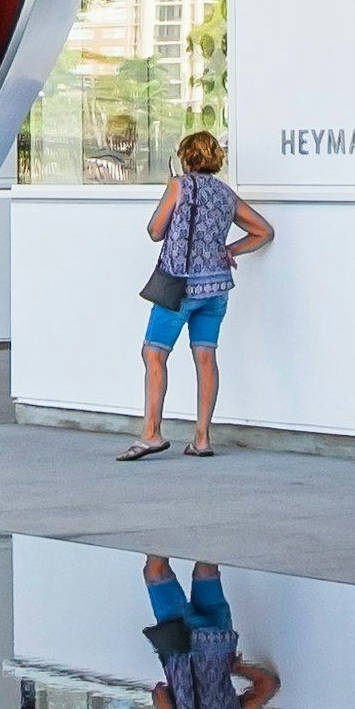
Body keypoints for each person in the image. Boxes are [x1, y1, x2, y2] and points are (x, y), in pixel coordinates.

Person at [120, 128, 269, 460]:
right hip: (217, 288)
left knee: (154, 354)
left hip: (180, 286)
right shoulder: (225, 193)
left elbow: (155, 231)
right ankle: (202, 439)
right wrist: (231, 249)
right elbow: (263, 231)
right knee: (205, 357)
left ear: (186, 157)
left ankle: (151, 433)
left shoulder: (179, 185)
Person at [136, 554, 278, 709]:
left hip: (219, 640)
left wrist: (238, 668)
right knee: (156, 573)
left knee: (207, 569)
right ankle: (159, 523)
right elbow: (160, 695)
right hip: (183, 639)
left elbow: (268, 685)